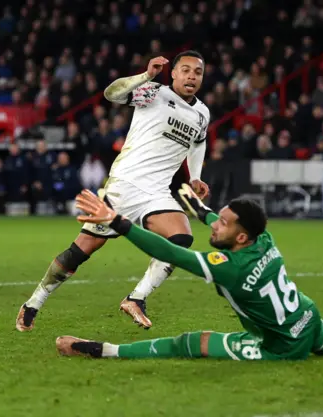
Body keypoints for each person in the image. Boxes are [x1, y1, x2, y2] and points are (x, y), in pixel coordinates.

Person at [55, 185, 323, 361]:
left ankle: (103, 351)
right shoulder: (264, 241)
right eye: (217, 219)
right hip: (308, 319)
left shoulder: (230, 269)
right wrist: (202, 212)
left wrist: (121, 222)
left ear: (240, 238)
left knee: (190, 343)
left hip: (280, 346)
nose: (216, 226)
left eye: (223, 223)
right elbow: (228, 230)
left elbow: (170, 252)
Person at [17, 51, 211, 331]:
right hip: (125, 185)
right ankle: (34, 301)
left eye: (198, 72)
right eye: (186, 70)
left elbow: (198, 143)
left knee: (181, 237)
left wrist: (195, 178)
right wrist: (145, 76)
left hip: (157, 192)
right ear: (174, 74)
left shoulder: (202, 113)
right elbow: (112, 94)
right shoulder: (154, 92)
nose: (192, 75)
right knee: (81, 251)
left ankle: (136, 298)